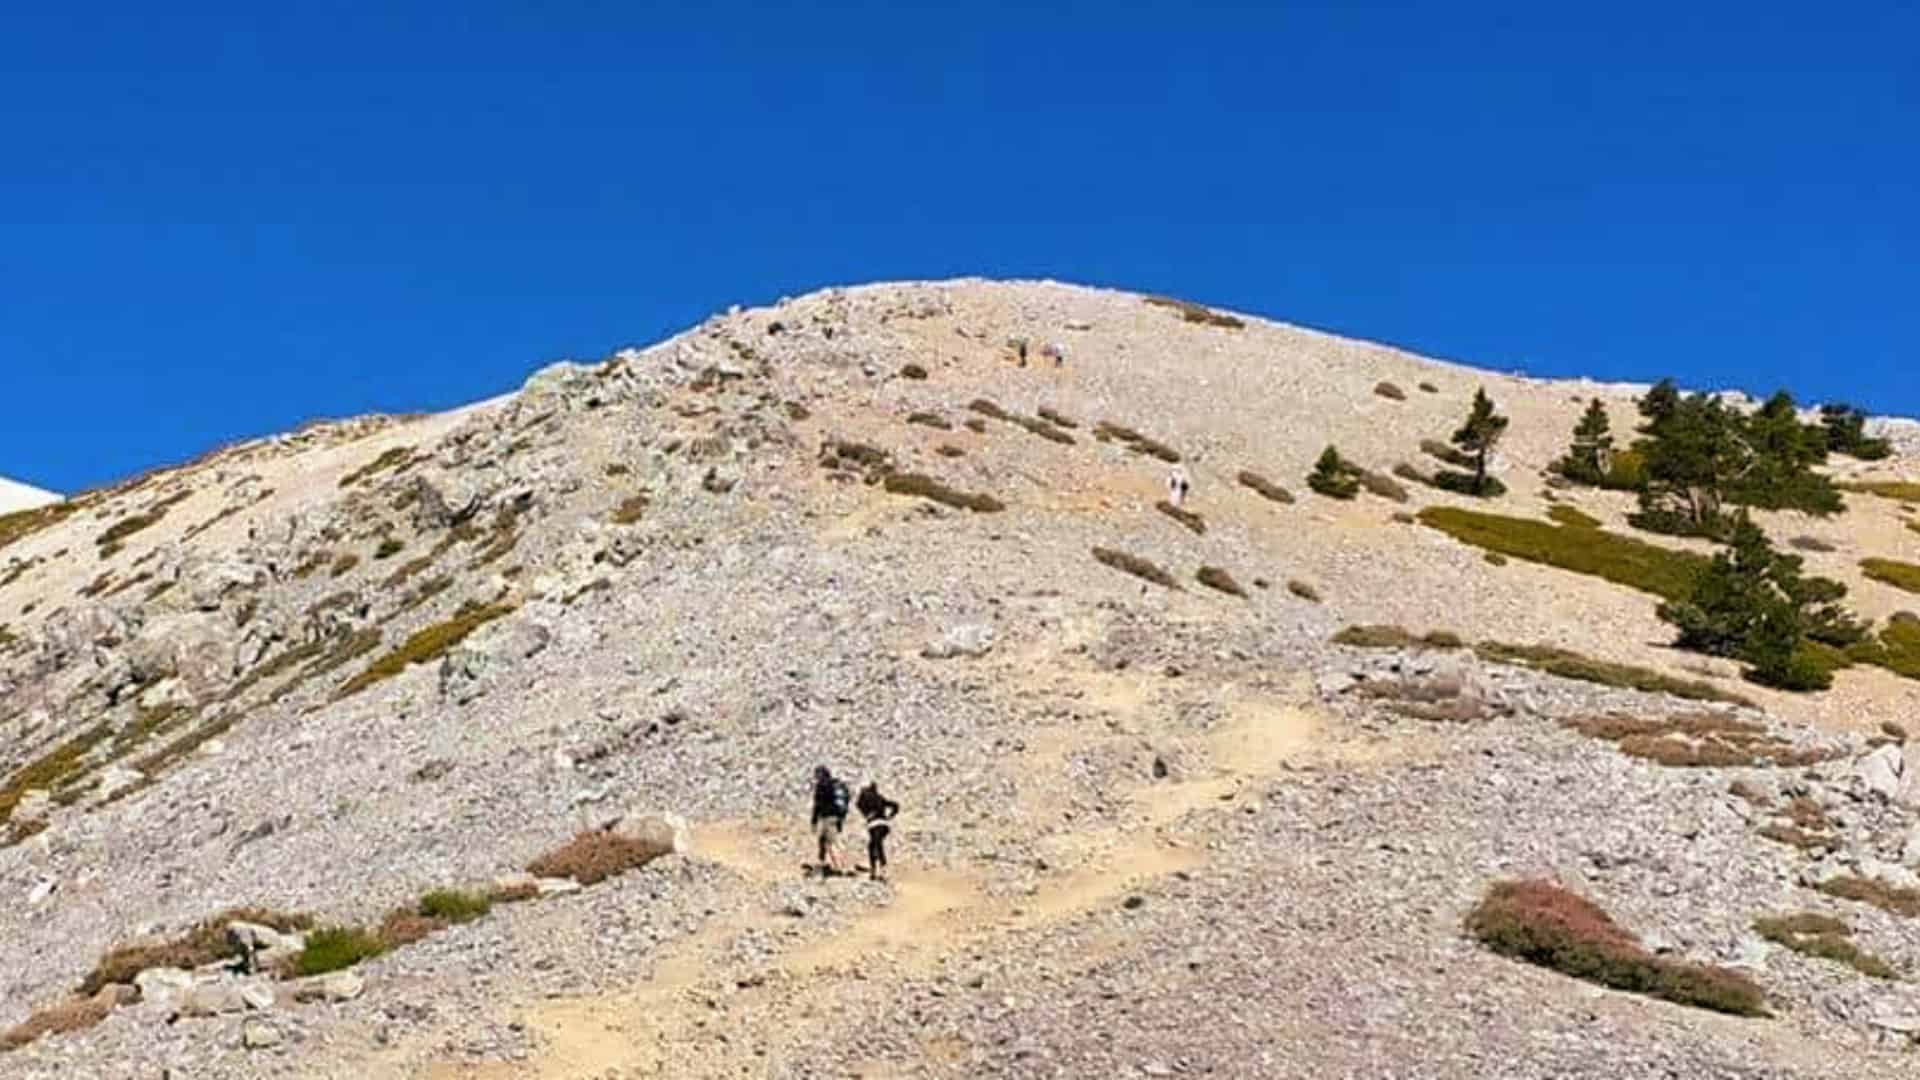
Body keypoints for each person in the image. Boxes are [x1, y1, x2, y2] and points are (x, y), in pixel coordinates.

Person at [810, 765, 851, 875]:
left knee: (831, 842)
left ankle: (841, 867)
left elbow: (817, 804)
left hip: (826, 817)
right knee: (824, 841)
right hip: (837, 816)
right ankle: (825, 864)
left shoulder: (822, 785)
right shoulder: (836, 784)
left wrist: (813, 821)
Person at [855, 781, 901, 880]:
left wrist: (867, 814)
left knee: (874, 845)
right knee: (876, 844)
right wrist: (890, 816)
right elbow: (896, 805)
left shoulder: (865, 797)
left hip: (874, 825)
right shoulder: (880, 798)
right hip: (884, 825)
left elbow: (858, 804)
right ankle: (881, 869)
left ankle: (876, 869)